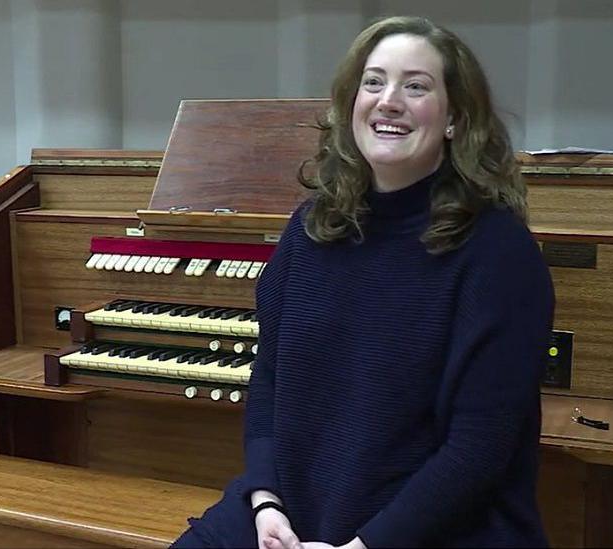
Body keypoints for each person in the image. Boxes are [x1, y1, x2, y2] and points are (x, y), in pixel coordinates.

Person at [171, 15, 554, 549]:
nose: (388, 101)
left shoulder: (497, 254)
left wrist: (364, 546)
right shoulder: (310, 230)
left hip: (435, 527)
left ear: (454, 118)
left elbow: (480, 448)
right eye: (373, 83)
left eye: (416, 86)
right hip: (293, 508)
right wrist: (265, 501)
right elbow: (269, 384)